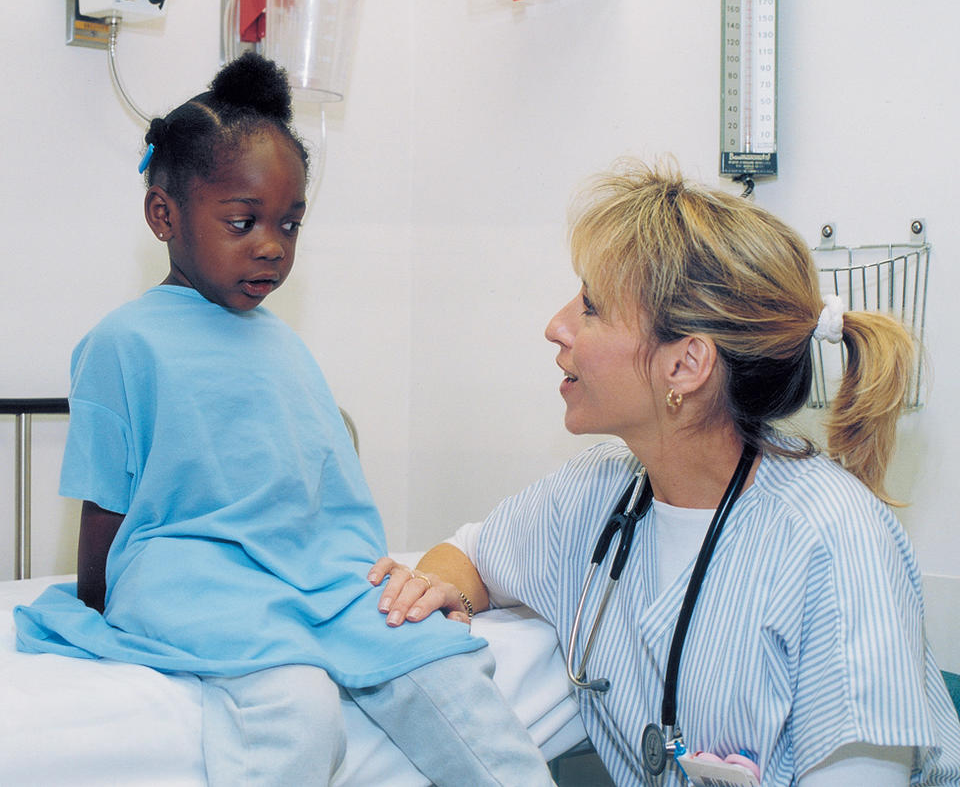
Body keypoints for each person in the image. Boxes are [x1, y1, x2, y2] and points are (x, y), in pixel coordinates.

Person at [14, 53, 553, 787]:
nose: (272, 244)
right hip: (187, 568)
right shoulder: (123, 342)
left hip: (310, 572)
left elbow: (321, 494)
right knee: (297, 704)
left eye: (291, 224)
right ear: (164, 215)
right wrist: (97, 606)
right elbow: (105, 501)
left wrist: (362, 580)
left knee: (438, 666)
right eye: (244, 221)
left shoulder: (283, 345)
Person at [369, 160, 960, 786]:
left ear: (686, 366)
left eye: (591, 308)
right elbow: (470, 554)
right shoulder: (596, 494)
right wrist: (441, 590)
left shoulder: (835, 542)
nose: (556, 327)